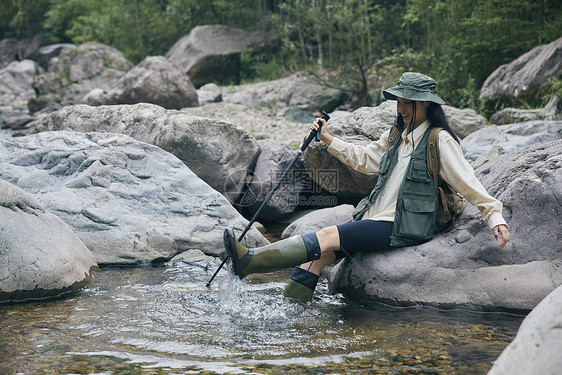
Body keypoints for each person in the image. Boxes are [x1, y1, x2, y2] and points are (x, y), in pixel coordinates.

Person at [224, 72, 511, 302]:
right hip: (377, 218)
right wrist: (327, 139)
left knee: (325, 234)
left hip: (404, 224)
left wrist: (494, 216)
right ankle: (291, 320)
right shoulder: (397, 135)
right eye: (398, 101)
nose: (400, 108)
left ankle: (251, 262)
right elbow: (365, 159)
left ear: (425, 104)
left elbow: (468, 182)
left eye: (406, 102)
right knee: (316, 258)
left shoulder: (440, 140)